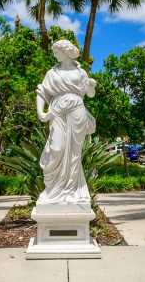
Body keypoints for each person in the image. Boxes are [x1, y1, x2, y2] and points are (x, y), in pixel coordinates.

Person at [35, 40, 97, 205]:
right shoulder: (52, 73)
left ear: (66, 52)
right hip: (57, 112)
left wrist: (91, 86)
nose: (54, 54)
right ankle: (53, 190)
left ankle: (72, 191)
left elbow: (90, 94)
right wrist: (41, 112)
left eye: (56, 51)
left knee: (74, 154)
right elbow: (42, 92)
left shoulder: (81, 72)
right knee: (56, 148)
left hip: (77, 110)